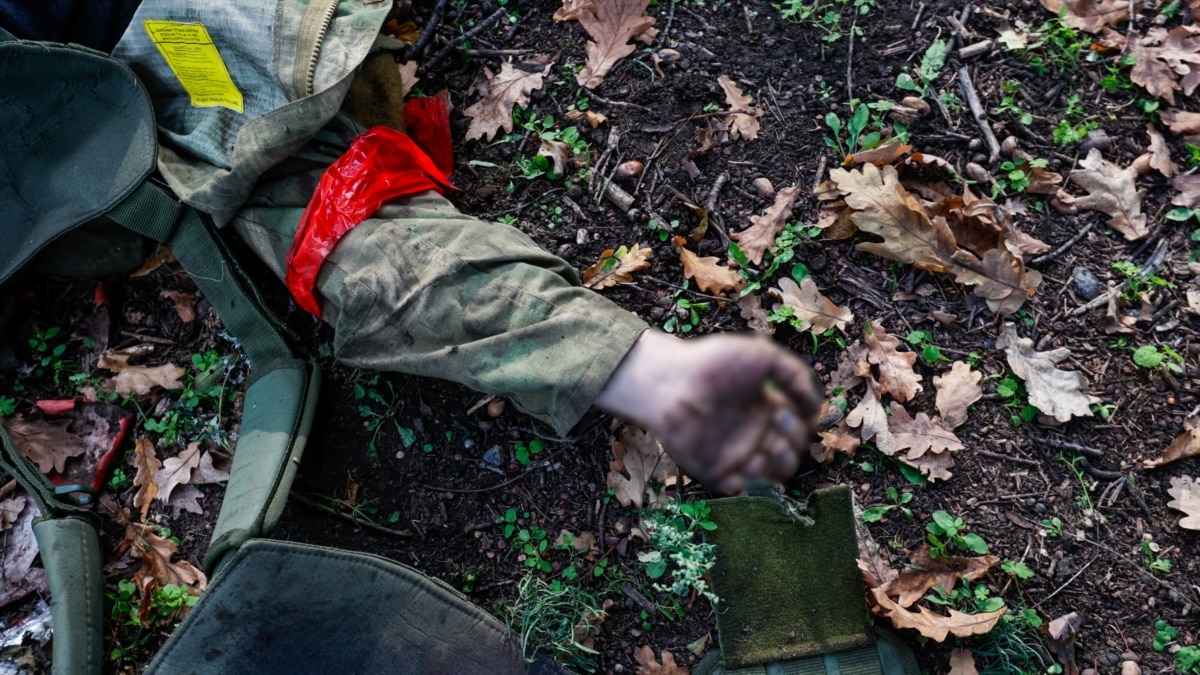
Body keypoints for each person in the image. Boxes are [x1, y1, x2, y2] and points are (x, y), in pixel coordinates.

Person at [1, 0, 823, 496]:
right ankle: (652, 375)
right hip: (159, 60)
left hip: (177, 64)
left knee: (328, 224)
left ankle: (649, 374)